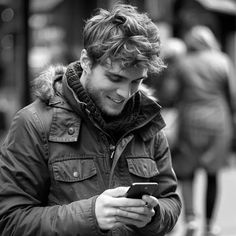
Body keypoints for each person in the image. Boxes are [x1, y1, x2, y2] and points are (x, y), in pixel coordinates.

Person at [0, 4, 181, 236]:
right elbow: (10, 221)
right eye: (114, 77)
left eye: (136, 82)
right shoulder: (33, 122)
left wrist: (153, 216)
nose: (125, 93)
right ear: (86, 62)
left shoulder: (147, 121)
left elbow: (170, 201)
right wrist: (90, 214)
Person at [171, 26, 236, 236]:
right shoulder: (223, 60)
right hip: (218, 120)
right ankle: (209, 224)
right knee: (212, 173)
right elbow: (232, 95)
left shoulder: (183, 63)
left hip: (190, 118)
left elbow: (172, 93)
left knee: (187, 172)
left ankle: (190, 220)